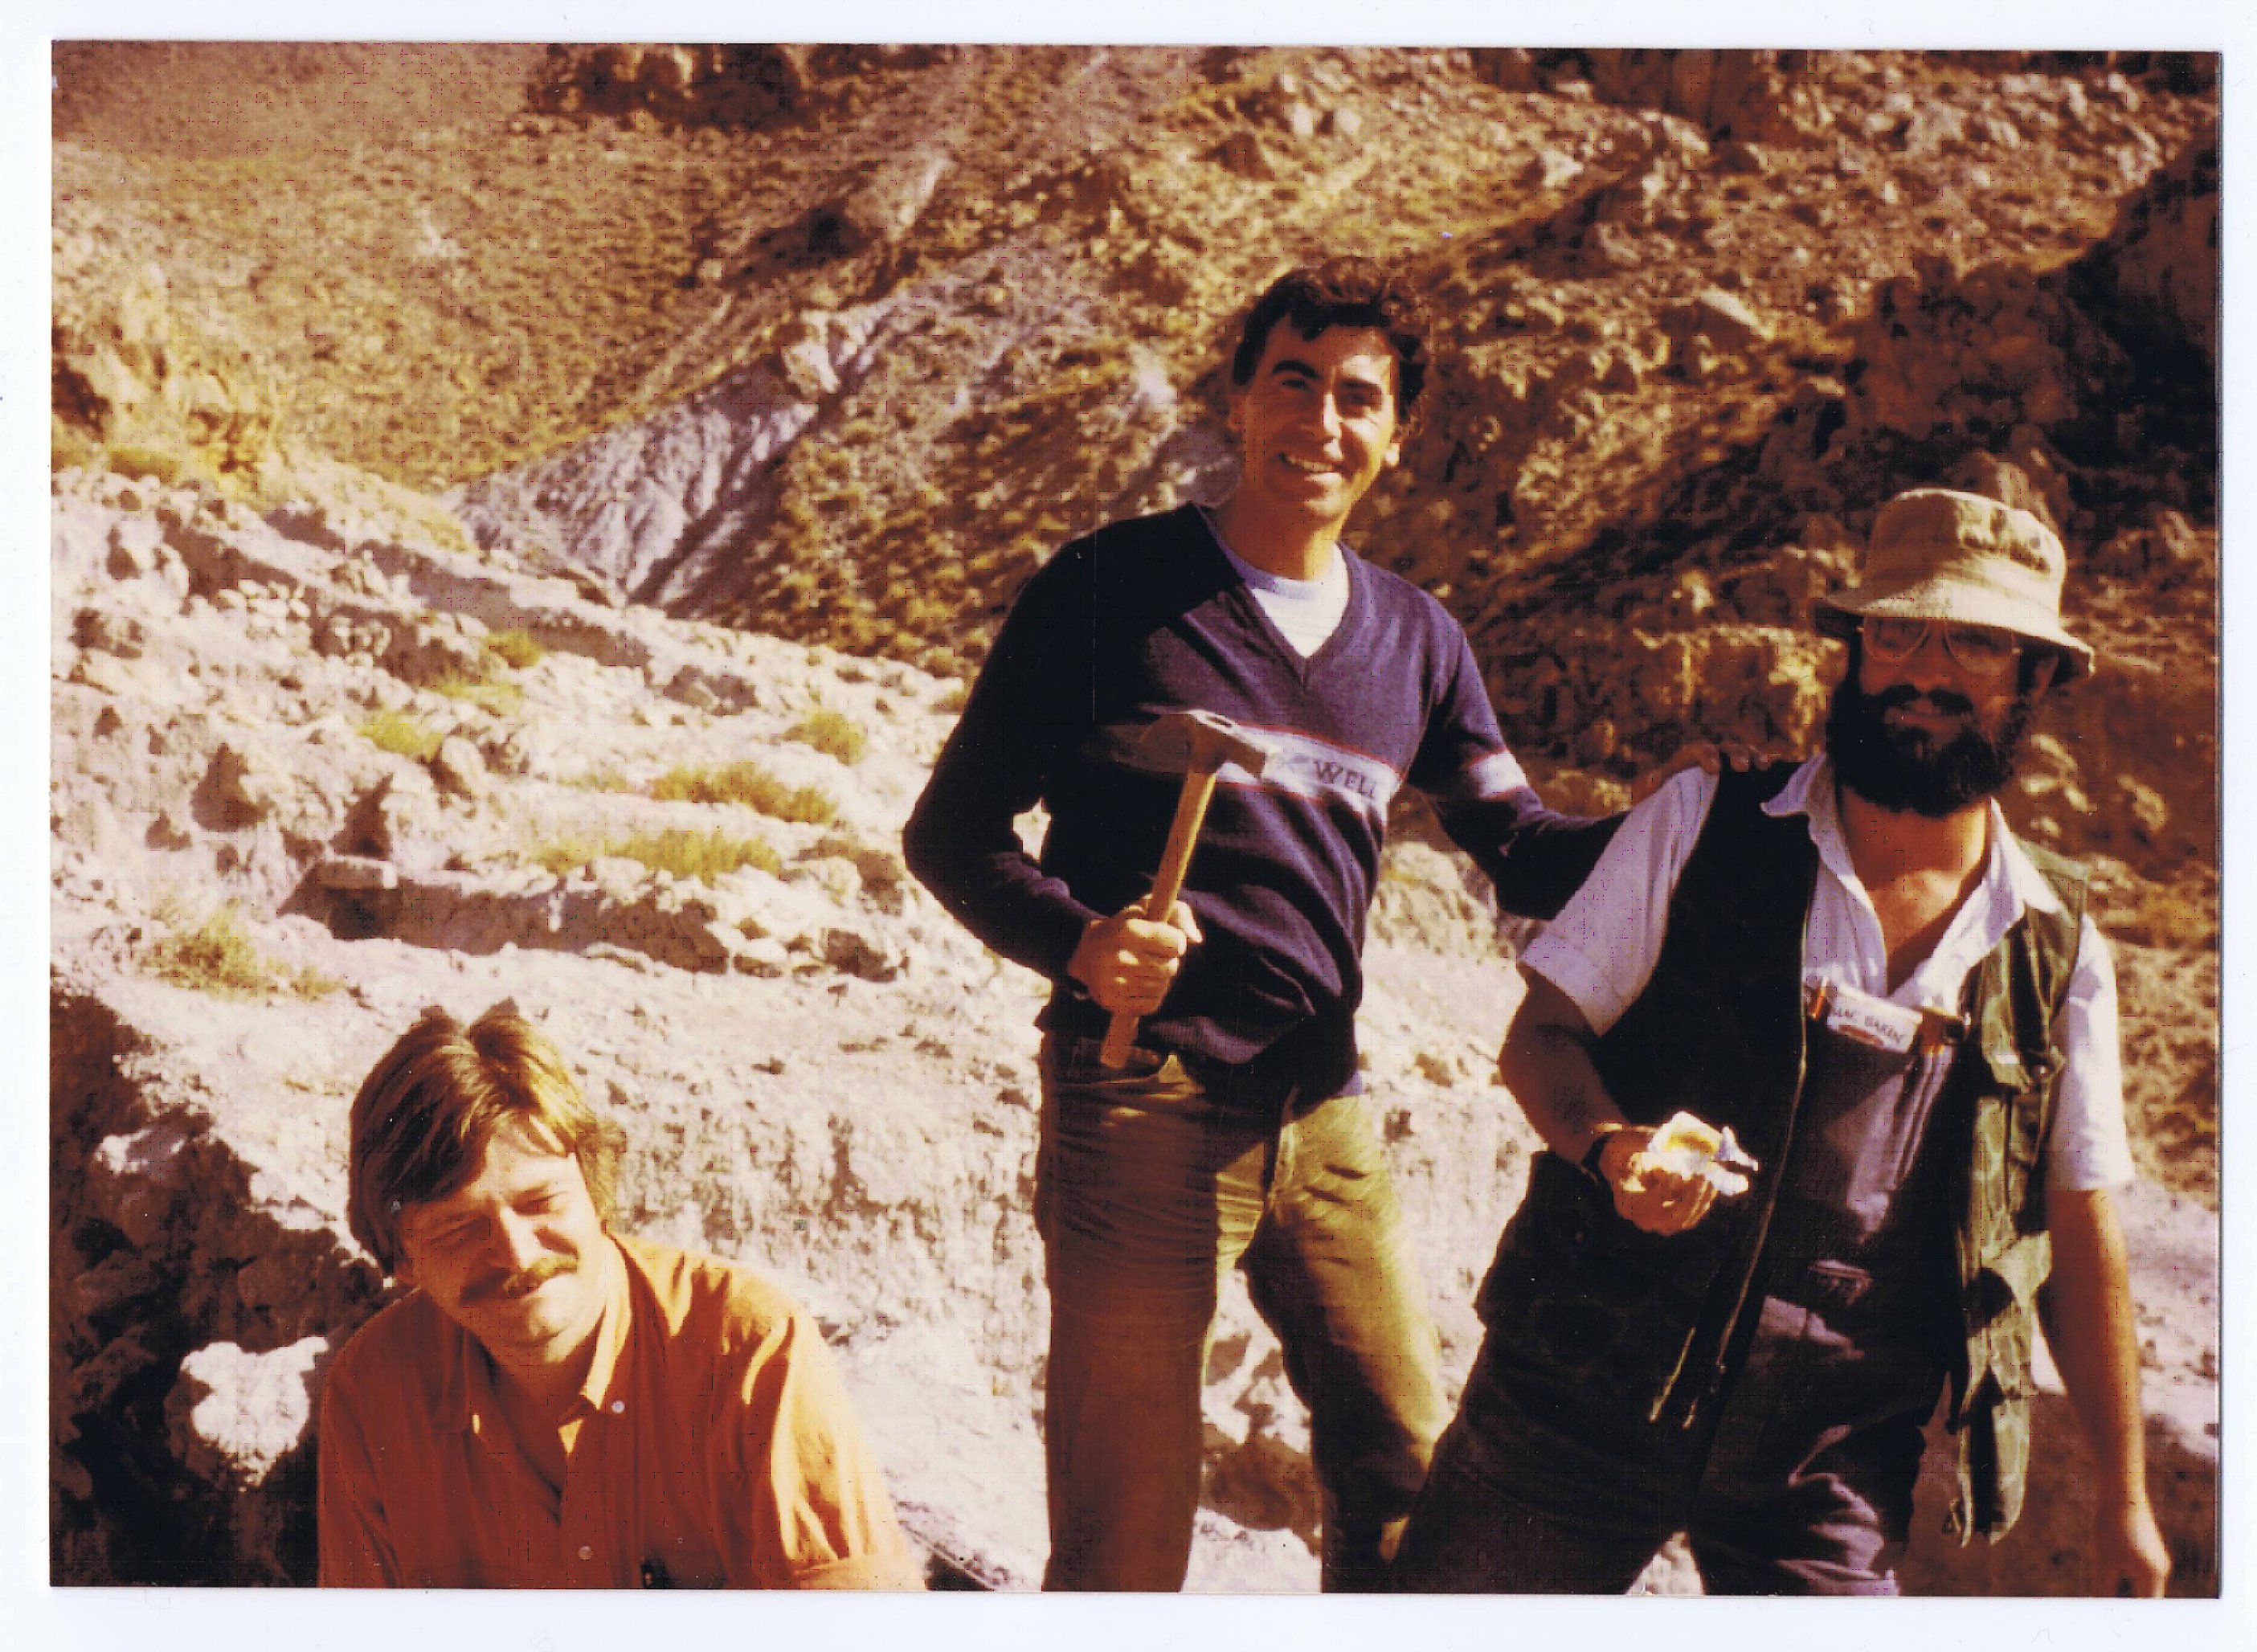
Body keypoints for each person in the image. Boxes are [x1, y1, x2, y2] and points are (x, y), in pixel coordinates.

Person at [902, 256, 1621, 1590]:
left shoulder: (1418, 641)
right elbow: (949, 834)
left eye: (1357, 398)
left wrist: (1684, 827)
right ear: (1235, 399)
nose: (1320, 423)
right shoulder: (1109, 588)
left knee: (1407, 1479)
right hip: (1139, 1096)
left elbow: (1520, 848)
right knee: (1125, 1542)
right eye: (1292, 383)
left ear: (1396, 436)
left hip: (1322, 1108)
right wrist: (1080, 942)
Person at [1390, 488, 2172, 1597]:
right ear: (1852, 649)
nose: (1923, 671)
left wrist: (2125, 1498)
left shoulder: (2053, 946)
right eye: (1896, 631)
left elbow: (2077, 1220)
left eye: (1975, 643)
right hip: (1573, 1394)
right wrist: (1610, 1148)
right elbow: (1543, 1035)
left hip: (1827, 1463)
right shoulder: (1698, 822)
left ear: (2036, 676)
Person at [317, 1003, 923, 1589]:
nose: (518, 1255)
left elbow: (857, 1629)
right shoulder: (372, 1396)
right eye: (458, 1230)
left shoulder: (747, 1350)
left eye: (541, 1203)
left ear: (594, 1188)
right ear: (402, 1259)